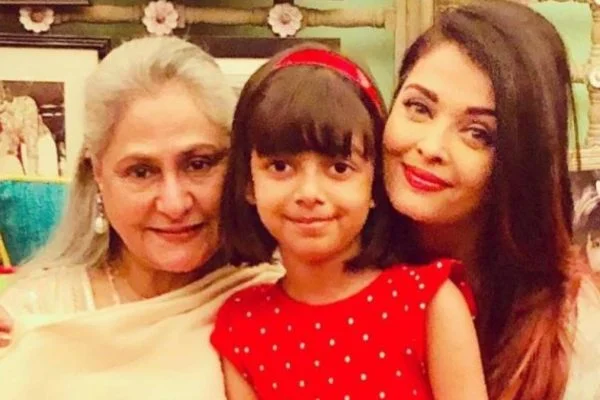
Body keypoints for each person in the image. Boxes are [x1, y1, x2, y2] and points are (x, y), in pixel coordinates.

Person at [0, 36, 282, 399]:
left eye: (199, 164)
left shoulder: (281, 301)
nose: (174, 203)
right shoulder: (35, 314)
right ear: (98, 174)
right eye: (141, 172)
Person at [210, 44, 488, 400]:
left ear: (374, 184)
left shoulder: (429, 302)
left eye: (339, 168)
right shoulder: (242, 324)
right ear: (248, 183)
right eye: (280, 167)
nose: (309, 193)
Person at [383, 1, 600, 399]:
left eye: (478, 133)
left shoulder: (572, 329)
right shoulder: (319, 269)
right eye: (419, 107)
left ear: (523, 161)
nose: (431, 147)